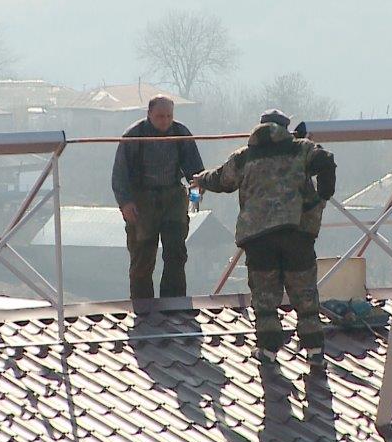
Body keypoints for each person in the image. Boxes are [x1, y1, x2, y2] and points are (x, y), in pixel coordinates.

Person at [192, 109, 336, 368]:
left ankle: (268, 350)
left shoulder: (245, 156)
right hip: (296, 233)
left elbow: (221, 180)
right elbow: (326, 160)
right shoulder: (301, 149)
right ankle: (314, 350)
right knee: (304, 292)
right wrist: (322, 197)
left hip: (258, 237)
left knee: (265, 296)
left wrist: (200, 179)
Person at [112, 95, 204, 300]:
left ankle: (174, 304)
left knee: (176, 253)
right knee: (142, 256)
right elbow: (119, 175)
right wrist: (125, 203)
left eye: (169, 116)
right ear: (149, 114)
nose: (165, 121)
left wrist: (195, 199)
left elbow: (196, 173)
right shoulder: (134, 136)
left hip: (173, 198)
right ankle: (143, 306)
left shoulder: (180, 134)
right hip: (142, 201)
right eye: (160, 116)